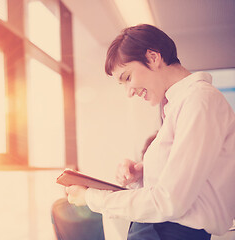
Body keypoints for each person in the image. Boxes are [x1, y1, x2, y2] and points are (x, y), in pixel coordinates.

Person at [66, 24, 235, 240]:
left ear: (153, 57)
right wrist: (143, 174)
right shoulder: (177, 104)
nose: (129, 92)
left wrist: (92, 198)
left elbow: (170, 201)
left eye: (127, 78)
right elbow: (194, 181)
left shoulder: (199, 100)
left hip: (170, 232)